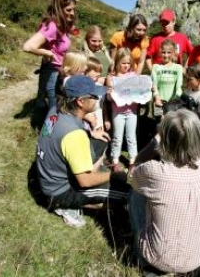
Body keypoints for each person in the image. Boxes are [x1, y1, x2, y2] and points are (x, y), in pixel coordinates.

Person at [128, 108, 200, 276]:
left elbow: (132, 174)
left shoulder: (155, 172)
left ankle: (146, 262)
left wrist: (154, 143)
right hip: (199, 256)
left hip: (157, 258)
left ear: (164, 140)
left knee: (136, 193)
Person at [36, 75, 130, 227]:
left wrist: (91, 133)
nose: (98, 98)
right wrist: (113, 176)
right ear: (80, 101)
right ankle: (64, 206)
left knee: (101, 142)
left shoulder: (56, 109)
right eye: (94, 96)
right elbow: (84, 181)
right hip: (59, 191)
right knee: (127, 194)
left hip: (48, 176)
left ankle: (90, 171)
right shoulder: (74, 135)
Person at [23, 0, 77, 111]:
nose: (73, 13)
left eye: (74, 9)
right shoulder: (52, 26)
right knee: (53, 113)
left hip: (58, 73)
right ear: (58, 8)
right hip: (52, 75)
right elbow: (28, 46)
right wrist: (48, 53)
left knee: (58, 111)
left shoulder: (60, 26)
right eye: (69, 10)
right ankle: (47, 130)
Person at [106, 48, 139, 172]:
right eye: (123, 63)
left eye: (128, 63)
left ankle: (132, 161)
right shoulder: (112, 77)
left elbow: (139, 94)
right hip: (118, 112)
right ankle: (115, 160)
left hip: (132, 112)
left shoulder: (134, 76)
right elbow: (109, 98)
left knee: (131, 137)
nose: (126, 66)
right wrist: (109, 94)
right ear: (117, 62)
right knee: (117, 137)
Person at [151, 39, 184, 118]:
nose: (166, 55)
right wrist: (157, 98)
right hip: (158, 102)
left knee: (171, 125)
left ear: (174, 53)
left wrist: (175, 99)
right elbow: (154, 85)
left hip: (172, 103)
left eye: (169, 52)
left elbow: (179, 86)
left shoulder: (178, 68)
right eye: (163, 52)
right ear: (160, 52)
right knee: (159, 125)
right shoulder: (155, 67)